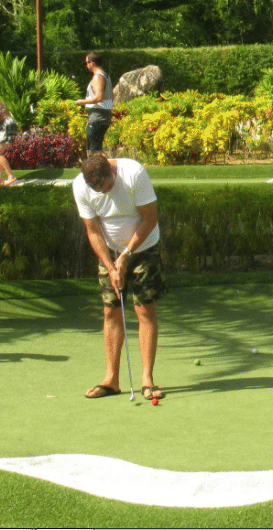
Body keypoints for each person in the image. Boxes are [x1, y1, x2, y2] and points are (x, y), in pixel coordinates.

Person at [73, 153, 167, 401]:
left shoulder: (134, 173)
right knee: (111, 311)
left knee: (144, 309)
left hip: (144, 247)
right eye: (97, 190)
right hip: (110, 253)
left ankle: (147, 379)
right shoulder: (80, 186)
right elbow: (93, 230)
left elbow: (150, 218)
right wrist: (111, 266)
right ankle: (111, 380)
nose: (103, 193)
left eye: (106, 187)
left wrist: (126, 255)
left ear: (112, 172)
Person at [74, 52, 114, 157]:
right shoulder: (106, 76)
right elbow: (112, 95)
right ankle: (106, 166)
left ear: (92, 62)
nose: (86, 65)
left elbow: (99, 97)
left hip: (97, 117)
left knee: (95, 152)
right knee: (94, 150)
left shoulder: (98, 77)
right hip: (101, 116)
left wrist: (81, 102)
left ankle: (111, 166)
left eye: (87, 62)